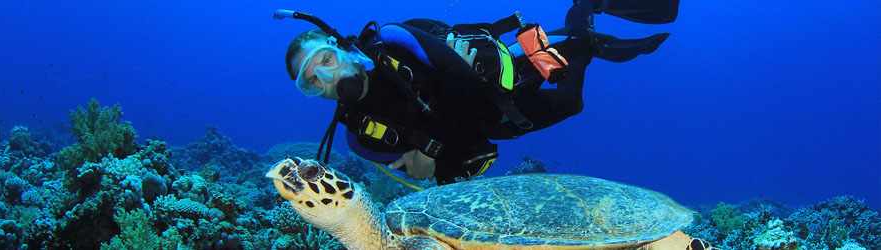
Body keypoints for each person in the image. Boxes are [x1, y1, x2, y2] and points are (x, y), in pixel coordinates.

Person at [279, 0, 679, 184]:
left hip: (499, 85)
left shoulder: (393, 40)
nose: (326, 80)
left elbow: (464, 84)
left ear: (339, 47)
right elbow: (435, 174)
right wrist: (431, 157)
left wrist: (428, 149)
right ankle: (584, 35)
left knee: (571, 51)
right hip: (497, 125)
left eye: (325, 62)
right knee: (571, 104)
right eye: (311, 82)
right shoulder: (358, 138)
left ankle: (587, 14)